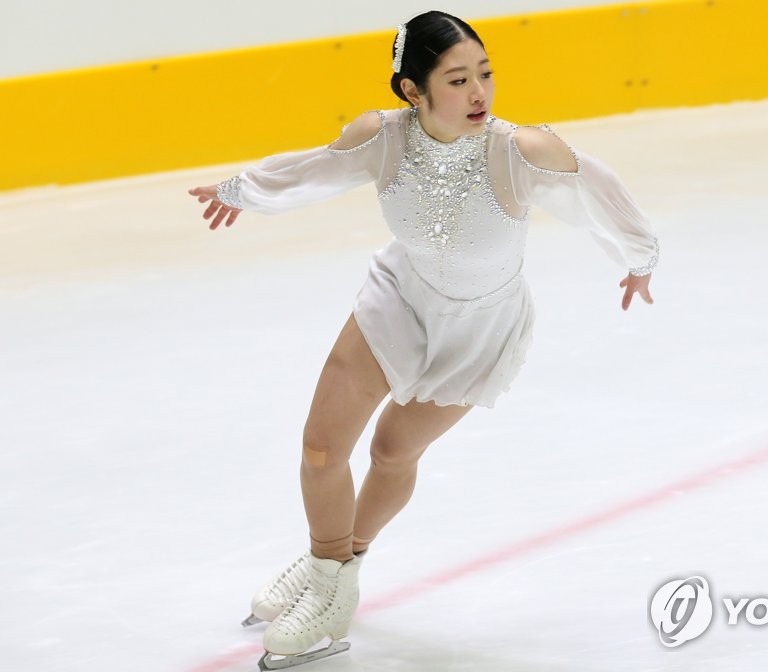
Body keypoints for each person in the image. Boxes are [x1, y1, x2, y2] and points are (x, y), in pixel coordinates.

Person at [188, 10, 659, 669]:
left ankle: (340, 561)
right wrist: (246, 191)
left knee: (390, 450)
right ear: (413, 90)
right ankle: (328, 580)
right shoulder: (380, 138)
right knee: (323, 448)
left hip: (480, 328)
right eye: (458, 78)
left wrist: (639, 259)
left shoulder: (521, 152)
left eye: (486, 75)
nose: (479, 93)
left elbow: (598, 191)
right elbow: (316, 170)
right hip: (398, 301)